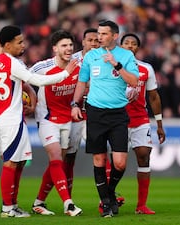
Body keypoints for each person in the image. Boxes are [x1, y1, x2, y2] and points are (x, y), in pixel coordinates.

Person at [0, 25, 78, 218]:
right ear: (7, 44)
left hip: (5, 117)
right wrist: (65, 74)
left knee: (18, 162)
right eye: (19, 42)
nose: (23, 45)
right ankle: (7, 209)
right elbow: (35, 80)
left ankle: (12, 204)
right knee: (11, 163)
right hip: (11, 119)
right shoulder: (13, 63)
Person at [71, 20, 139, 218]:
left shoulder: (125, 56)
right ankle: (107, 204)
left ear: (115, 36)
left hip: (118, 113)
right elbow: (82, 82)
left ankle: (110, 191)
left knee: (120, 163)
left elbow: (134, 81)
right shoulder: (91, 56)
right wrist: (75, 105)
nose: (99, 37)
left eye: (103, 34)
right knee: (99, 159)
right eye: (98, 34)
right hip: (95, 112)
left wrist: (116, 64)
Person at [30, 30, 82, 217]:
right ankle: (68, 204)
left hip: (67, 119)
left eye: (70, 45)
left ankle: (39, 202)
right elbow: (24, 81)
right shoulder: (42, 67)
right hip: (46, 119)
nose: (68, 49)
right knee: (55, 157)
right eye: (64, 45)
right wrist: (32, 100)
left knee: (57, 163)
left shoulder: (78, 65)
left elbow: (84, 85)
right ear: (55, 49)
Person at [120, 33, 166, 214]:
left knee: (144, 155)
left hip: (140, 120)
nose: (130, 46)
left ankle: (141, 205)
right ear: (121, 46)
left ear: (138, 48)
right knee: (117, 164)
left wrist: (160, 124)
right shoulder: (111, 66)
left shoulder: (146, 69)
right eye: (126, 43)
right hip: (118, 121)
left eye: (134, 44)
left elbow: (153, 96)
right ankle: (108, 200)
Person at [66, 28, 99, 196]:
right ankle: (67, 197)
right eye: (90, 40)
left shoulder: (105, 59)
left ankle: (107, 197)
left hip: (95, 113)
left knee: (100, 153)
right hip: (74, 113)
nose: (93, 43)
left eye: (96, 40)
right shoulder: (72, 60)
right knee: (69, 157)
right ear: (83, 41)